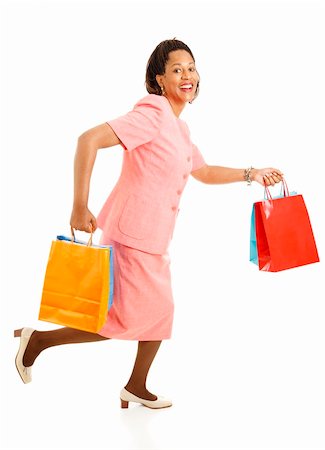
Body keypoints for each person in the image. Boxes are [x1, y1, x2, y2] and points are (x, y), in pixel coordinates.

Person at [14, 38, 283, 409]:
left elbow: (202, 171)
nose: (186, 75)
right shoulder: (153, 113)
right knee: (130, 317)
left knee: (147, 315)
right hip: (131, 235)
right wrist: (79, 204)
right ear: (159, 80)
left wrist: (252, 172)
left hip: (151, 238)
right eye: (176, 69)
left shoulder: (180, 129)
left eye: (191, 68)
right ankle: (42, 343)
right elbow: (87, 140)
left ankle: (132, 384)